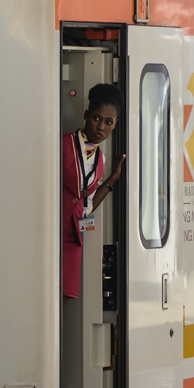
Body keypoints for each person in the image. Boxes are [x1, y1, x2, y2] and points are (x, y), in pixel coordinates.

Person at [63, 83, 125, 302]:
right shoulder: (62, 144)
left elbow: (86, 206)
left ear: (115, 125)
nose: (101, 127)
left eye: (109, 122)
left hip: (73, 238)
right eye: (96, 118)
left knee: (64, 300)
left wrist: (112, 180)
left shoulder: (101, 160)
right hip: (50, 231)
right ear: (86, 115)